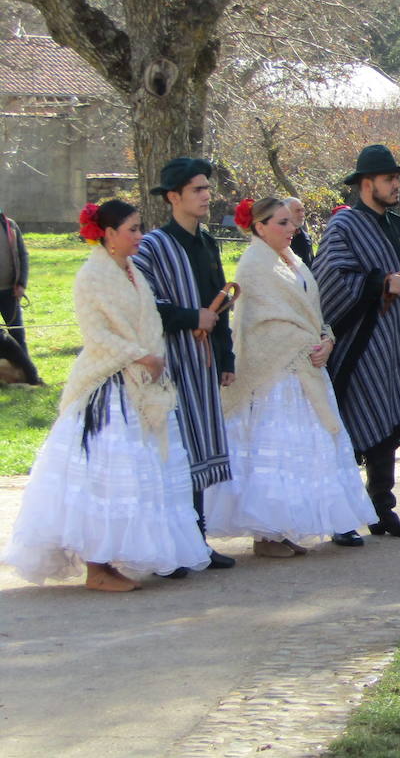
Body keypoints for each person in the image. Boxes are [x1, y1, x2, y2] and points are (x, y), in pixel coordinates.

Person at [3, 201, 208, 590]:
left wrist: (153, 358)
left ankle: (119, 557)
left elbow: (148, 320)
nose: (139, 236)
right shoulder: (91, 276)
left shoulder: (132, 271)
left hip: (142, 384)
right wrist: (139, 356)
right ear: (108, 234)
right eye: (131, 229)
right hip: (107, 385)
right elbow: (96, 335)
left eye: (139, 228)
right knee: (105, 475)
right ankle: (96, 568)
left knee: (141, 473)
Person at [204, 198, 376, 556]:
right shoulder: (254, 263)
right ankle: (267, 534)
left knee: (306, 449)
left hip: (306, 367)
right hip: (275, 373)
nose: (290, 228)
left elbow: (310, 314)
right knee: (278, 448)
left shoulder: (294, 261)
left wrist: (326, 339)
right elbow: (261, 324)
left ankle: (287, 528)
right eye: (281, 222)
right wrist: (304, 344)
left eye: (290, 222)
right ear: (259, 226)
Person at [313, 145, 400, 543]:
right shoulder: (344, 227)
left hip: (395, 338)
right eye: (389, 179)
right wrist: (379, 282)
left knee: (389, 422)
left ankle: (383, 509)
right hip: (359, 341)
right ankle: (341, 517)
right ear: (367, 184)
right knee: (350, 425)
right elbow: (327, 279)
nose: (397, 185)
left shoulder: (398, 227)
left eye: (397, 178)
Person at [132, 157, 236, 571]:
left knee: (197, 451)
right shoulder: (153, 245)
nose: (207, 195)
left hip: (204, 362)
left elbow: (222, 303)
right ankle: (169, 546)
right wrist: (191, 317)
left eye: (207, 188)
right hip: (170, 363)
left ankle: (197, 540)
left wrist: (226, 357)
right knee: (174, 451)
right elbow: (144, 303)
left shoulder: (208, 242)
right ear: (173, 197)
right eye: (197, 189)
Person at [0, 207, 33, 368]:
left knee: (17, 334)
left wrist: (21, 283)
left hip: (9, 292)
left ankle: (29, 374)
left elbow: (23, 255)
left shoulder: (10, 226)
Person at [284, 196, 314, 269]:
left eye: (302, 210)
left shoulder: (306, 237)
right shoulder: (279, 238)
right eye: (297, 211)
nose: (302, 214)